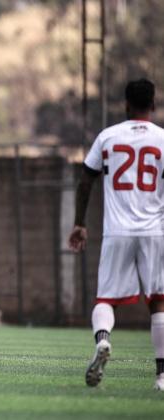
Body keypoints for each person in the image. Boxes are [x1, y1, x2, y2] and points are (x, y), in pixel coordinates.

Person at [69, 78, 164, 390]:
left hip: (117, 232)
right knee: (159, 302)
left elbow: (86, 181)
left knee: (106, 298)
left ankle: (103, 340)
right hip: (154, 231)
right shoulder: (163, 139)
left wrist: (80, 223)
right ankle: (162, 376)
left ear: (126, 104)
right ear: (153, 104)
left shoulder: (108, 137)